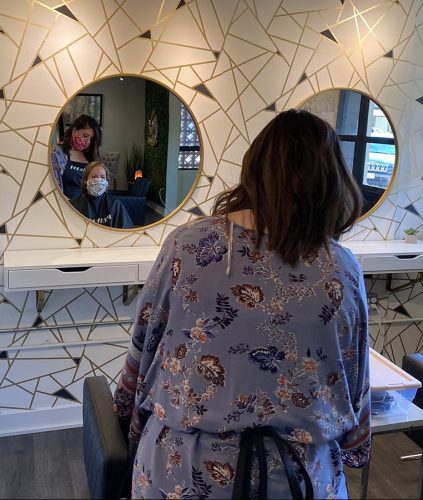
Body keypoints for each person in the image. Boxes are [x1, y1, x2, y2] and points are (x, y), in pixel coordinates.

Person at [113, 109, 370, 499]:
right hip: (298, 477)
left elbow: (145, 345)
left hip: (183, 471)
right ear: (333, 180)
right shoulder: (341, 268)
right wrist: (354, 447)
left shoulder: (189, 246)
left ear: (253, 168)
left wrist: (127, 418)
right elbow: (353, 383)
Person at [51, 114, 101, 199]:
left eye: (91, 139)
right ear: (74, 131)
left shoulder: (90, 156)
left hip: (86, 204)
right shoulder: (58, 153)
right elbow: (53, 184)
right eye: (85, 136)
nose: (88, 141)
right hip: (63, 203)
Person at [70, 161, 133, 229]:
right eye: (94, 177)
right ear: (86, 180)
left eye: (102, 177)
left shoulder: (115, 205)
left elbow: (125, 231)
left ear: (106, 181)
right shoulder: (74, 205)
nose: (99, 180)